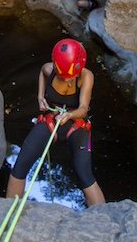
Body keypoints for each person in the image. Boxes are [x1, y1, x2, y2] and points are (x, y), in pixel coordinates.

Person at [6, 38, 106, 207]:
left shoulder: (86, 76)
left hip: (76, 124)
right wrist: (40, 97)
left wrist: (69, 115)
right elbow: (42, 73)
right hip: (51, 120)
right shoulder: (49, 69)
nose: (67, 80)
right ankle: (8, 212)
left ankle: (103, 221)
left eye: (70, 76)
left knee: (85, 175)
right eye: (63, 76)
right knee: (20, 166)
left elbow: (83, 108)